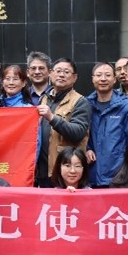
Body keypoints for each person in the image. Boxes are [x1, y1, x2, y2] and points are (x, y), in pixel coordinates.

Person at [49, 146, 103, 255]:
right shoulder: (50, 194)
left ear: (84, 169)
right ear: (59, 168)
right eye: (67, 165)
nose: (72, 171)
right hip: (62, 243)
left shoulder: (92, 194)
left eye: (77, 166)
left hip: (86, 243)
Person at [86, 62, 128, 188]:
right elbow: (81, 134)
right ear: (93, 79)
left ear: (114, 79)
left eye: (107, 75)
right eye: (99, 75)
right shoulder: (86, 104)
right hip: (91, 174)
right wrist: (87, 148)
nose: (103, 79)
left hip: (118, 175)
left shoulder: (126, 106)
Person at [37, 58, 90, 187]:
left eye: (66, 72)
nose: (61, 75)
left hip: (66, 172)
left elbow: (78, 132)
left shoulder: (80, 101)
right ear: (50, 73)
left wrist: (52, 118)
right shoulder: (44, 98)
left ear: (74, 77)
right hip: (42, 170)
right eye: (58, 71)